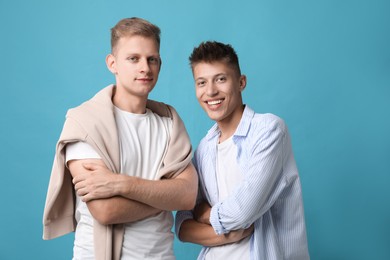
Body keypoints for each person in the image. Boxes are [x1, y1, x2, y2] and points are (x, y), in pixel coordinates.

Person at [43, 17, 198, 260]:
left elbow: (187, 196)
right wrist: (166, 196)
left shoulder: (169, 122)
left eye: (152, 59)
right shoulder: (85, 122)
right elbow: (105, 211)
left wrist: (120, 184)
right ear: (112, 63)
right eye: (133, 58)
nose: (145, 68)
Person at [175, 41, 309, 259]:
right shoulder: (203, 149)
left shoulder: (269, 130)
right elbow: (182, 225)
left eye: (220, 79)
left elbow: (242, 211)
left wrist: (204, 213)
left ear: (241, 82)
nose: (210, 91)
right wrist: (228, 235)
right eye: (201, 82)